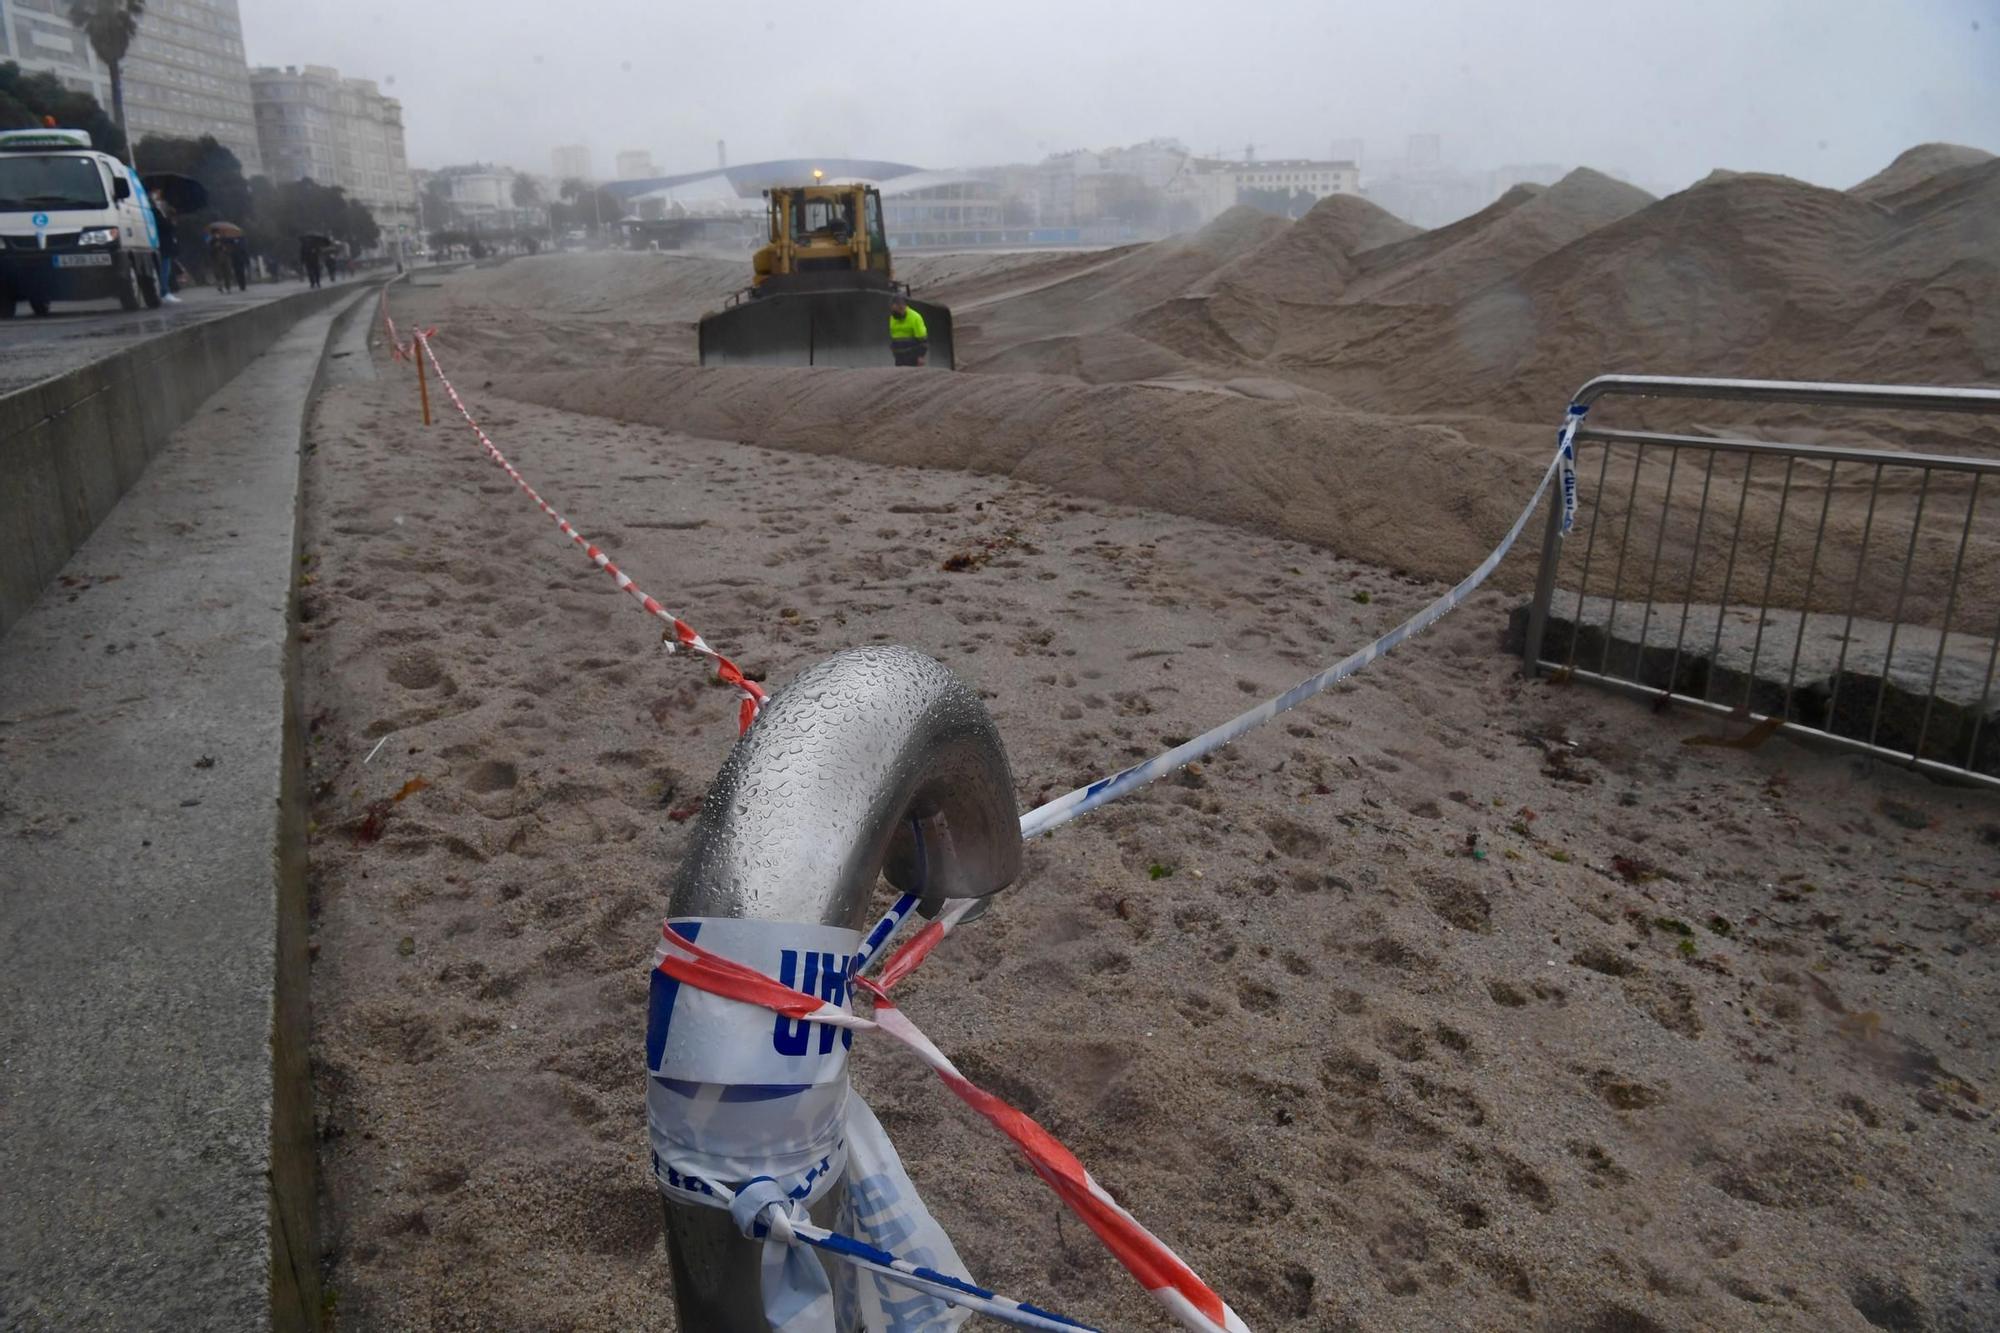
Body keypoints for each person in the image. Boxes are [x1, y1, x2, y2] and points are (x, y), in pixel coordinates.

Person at [151, 190, 182, 304]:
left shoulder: (164, 211)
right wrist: (170, 222)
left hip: (167, 244)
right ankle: (164, 292)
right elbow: (164, 226)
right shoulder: (154, 211)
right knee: (164, 269)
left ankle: (166, 291)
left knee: (167, 269)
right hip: (161, 243)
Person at [888, 296, 928, 367]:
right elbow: (894, 336)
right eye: (893, 311)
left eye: (897, 311)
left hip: (913, 357)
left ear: (903, 307)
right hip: (899, 357)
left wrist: (921, 356)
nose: (895, 314)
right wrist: (893, 349)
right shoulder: (893, 318)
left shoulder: (915, 317)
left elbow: (923, 340)